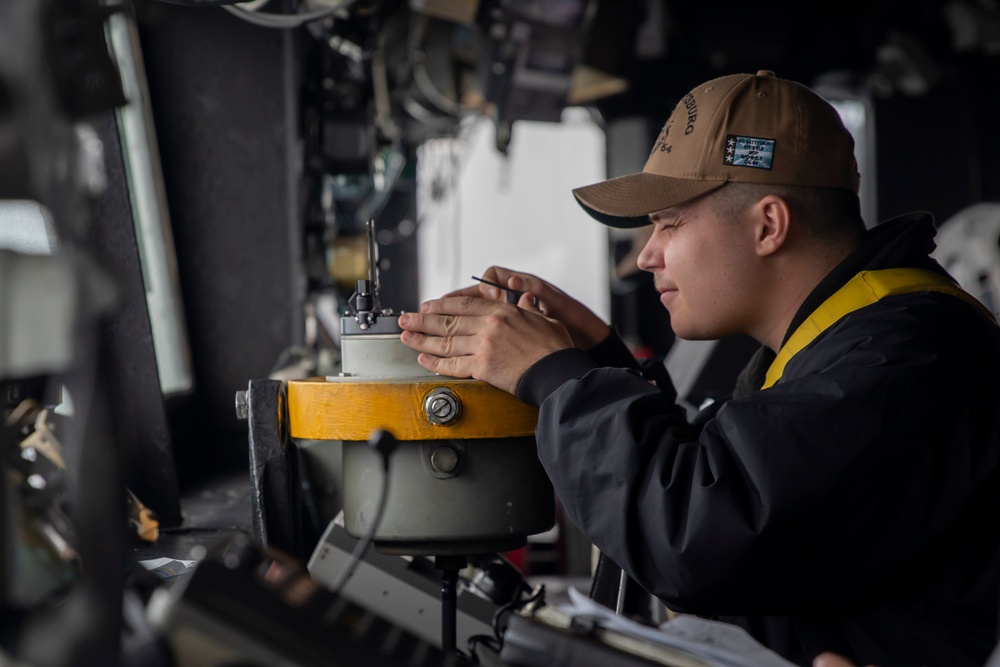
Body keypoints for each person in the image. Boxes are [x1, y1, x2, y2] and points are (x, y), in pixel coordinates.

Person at [397, 70, 1000, 666]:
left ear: (768, 225)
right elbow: (738, 481)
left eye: (668, 223)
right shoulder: (844, 338)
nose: (645, 256)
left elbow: (694, 535)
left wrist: (557, 378)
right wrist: (602, 361)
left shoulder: (905, 354)